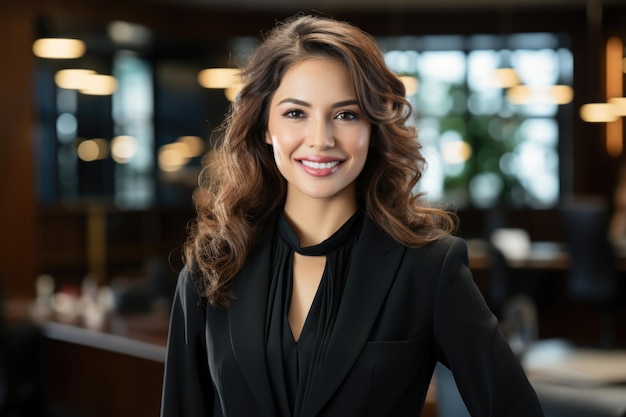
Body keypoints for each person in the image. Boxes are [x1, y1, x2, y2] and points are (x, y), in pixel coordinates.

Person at [160, 14, 544, 417]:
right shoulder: (213, 267)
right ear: (265, 127)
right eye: (295, 113)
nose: (321, 139)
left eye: (346, 114)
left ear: (374, 128)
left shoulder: (428, 268)